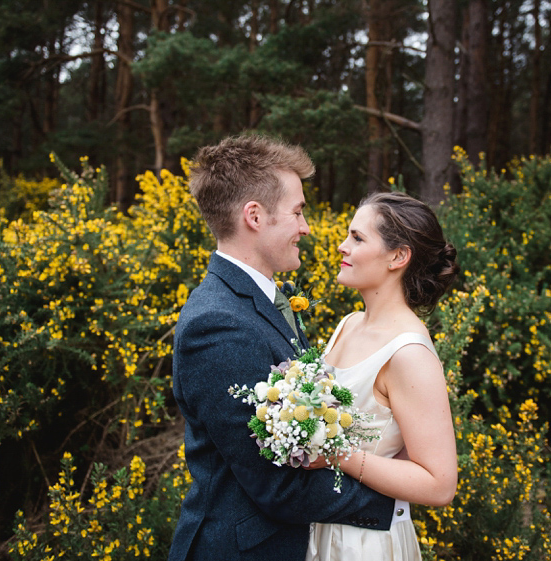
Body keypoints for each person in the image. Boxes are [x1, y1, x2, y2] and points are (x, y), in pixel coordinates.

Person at [169, 135, 395, 561]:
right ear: (254, 216)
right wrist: (397, 498)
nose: (306, 227)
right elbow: (277, 487)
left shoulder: (268, 298)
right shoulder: (216, 325)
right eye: (297, 211)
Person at [305, 191, 459, 561]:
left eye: (357, 238)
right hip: (320, 526)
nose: (342, 246)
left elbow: (439, 485)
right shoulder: (349, 324)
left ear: (398, 256)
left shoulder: (409, 354)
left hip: (362, 542)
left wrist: (337, 454)